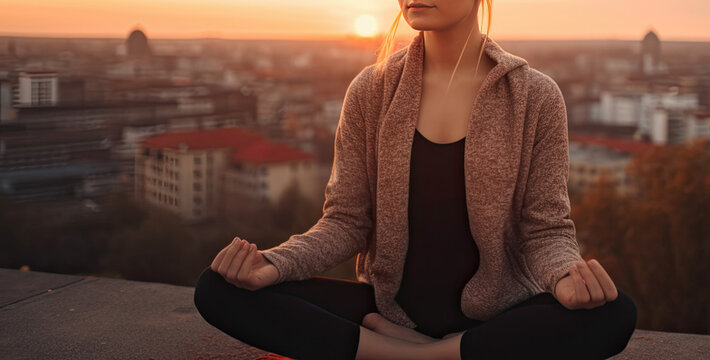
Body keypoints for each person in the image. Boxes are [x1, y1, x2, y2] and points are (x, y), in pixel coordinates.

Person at [193, 1, 638, 359]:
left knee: (614, 313)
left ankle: (416, 354)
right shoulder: (371, 90)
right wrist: (275, 263)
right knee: (218, 288)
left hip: (496, 318)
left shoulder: (535, 96)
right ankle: (427, 352)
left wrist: (566, 278)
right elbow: (346, 221)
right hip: (388, 311)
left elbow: (545, 231)